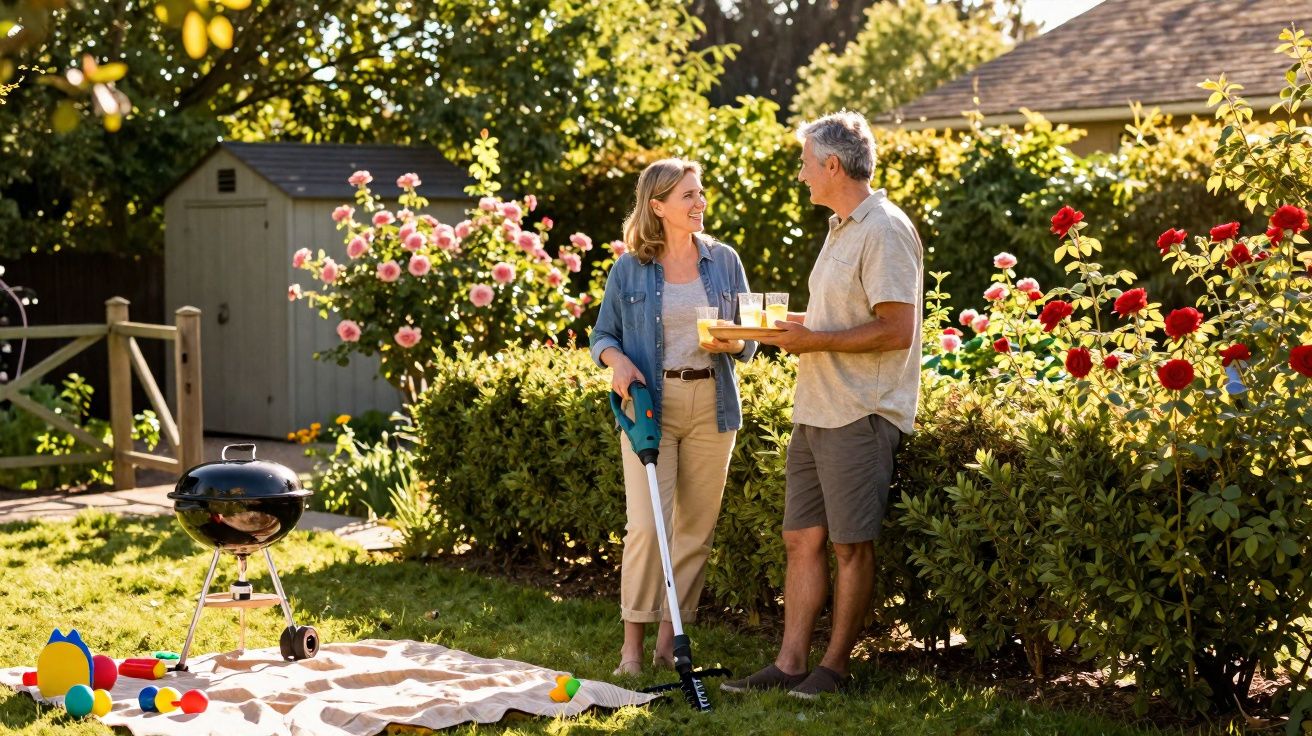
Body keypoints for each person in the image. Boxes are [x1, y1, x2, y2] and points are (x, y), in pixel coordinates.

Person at [721, 111, 923, 699]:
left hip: (859, 412)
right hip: (815, 409)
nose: (801, 173)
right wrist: (781, 327)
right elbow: (839, 318)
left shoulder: (884, 229)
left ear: (833, 165)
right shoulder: (841, 227)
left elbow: (897, 330)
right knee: (801, 539)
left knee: (849, 545)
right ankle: (789, 664)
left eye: (806, 162)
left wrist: (812, 341)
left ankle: (833, 669)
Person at [590, 158, 758, 676]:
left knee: (694, 532)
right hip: (650, 406)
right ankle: (631, 651)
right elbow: (603, 335)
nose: (699, 202)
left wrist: (736, 340)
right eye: (688, 195)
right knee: (646, 527)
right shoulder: (629, 268)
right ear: (658, 206)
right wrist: (617, 362)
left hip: (713, 405)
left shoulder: (724, 260)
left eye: (700, 193)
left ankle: (670, 644)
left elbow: (750, 338)